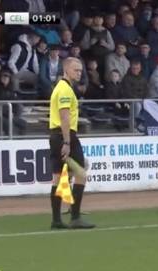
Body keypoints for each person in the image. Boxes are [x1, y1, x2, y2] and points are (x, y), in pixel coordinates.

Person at [48, 57, 96, 230]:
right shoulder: (65, 90)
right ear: (66, 70)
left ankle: (56, 220)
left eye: (81, 70)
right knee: (81, 173)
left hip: (56, 136)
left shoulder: (61, 88)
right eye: (76, 70)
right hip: (65, 136)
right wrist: (67, 141)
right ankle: (75, 217)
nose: (79, 73)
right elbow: (64, 117)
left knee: (58, 178)